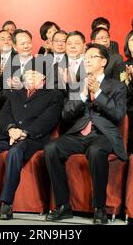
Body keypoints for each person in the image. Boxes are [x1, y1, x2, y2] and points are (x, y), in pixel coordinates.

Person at [45, 44, 127, 224]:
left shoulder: (117, 86)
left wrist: (98, 92)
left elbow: (118, 114)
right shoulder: (76, 84)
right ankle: (63, 205)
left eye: (92, 57)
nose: (87, 60)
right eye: (86, 57)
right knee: (52, 148)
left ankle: (99, 208)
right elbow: (66, 115)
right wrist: (82, 95)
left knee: (96, 151)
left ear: (103, 61)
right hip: (77, 134)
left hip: (102, 135)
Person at [0, 66, 63, 220]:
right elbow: (5, 114)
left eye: (34, 74)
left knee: (15, 152)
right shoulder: (14, 93)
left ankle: (6, 203)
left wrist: (25, 132)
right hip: (9, 135)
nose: (30, 77)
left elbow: (48, 119)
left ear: (43, 79)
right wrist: (11, 129)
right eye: (27, 74)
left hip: (33, 138)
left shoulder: (53, 94)